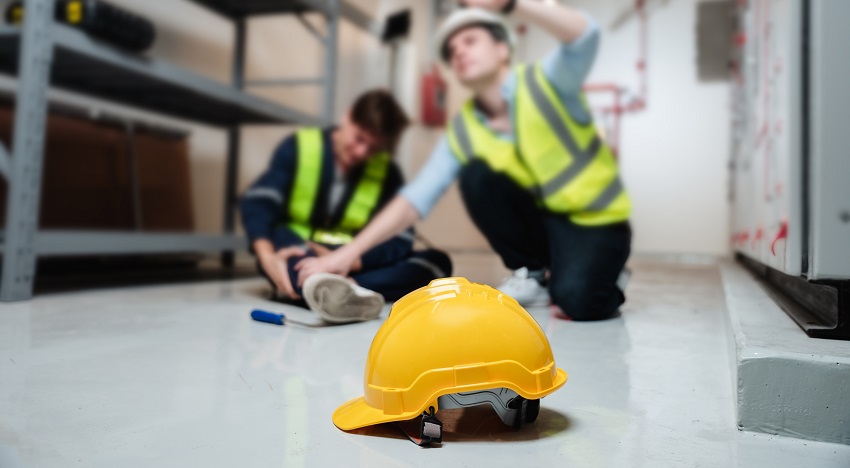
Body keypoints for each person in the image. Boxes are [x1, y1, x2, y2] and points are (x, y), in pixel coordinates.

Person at [294, 1, 632, 322]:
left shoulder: (547, 82)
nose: (459, 53)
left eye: (470, 41)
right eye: (453, 51)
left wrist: (511, 4)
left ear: (503, 49)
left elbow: (585, 34)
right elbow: (414, 199)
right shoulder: (465, 126)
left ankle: (608, 274)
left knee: (579, 301)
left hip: (593, 219)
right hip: (542, 220)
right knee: (476, 176)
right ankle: (532, 272)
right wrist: (347, 253)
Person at [240, 89, 452, 323]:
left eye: (373, 148)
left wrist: (349, 260)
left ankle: (343, 290)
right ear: (347, 117)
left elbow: (401, 238)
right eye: (359, 138)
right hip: (302, 250)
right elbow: (260, 203)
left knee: (438, 262)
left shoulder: (387, 172)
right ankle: (340, 289)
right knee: (284, 252)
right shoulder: (300, 148)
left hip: (354, 260)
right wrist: (267, 257)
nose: (362, 152)